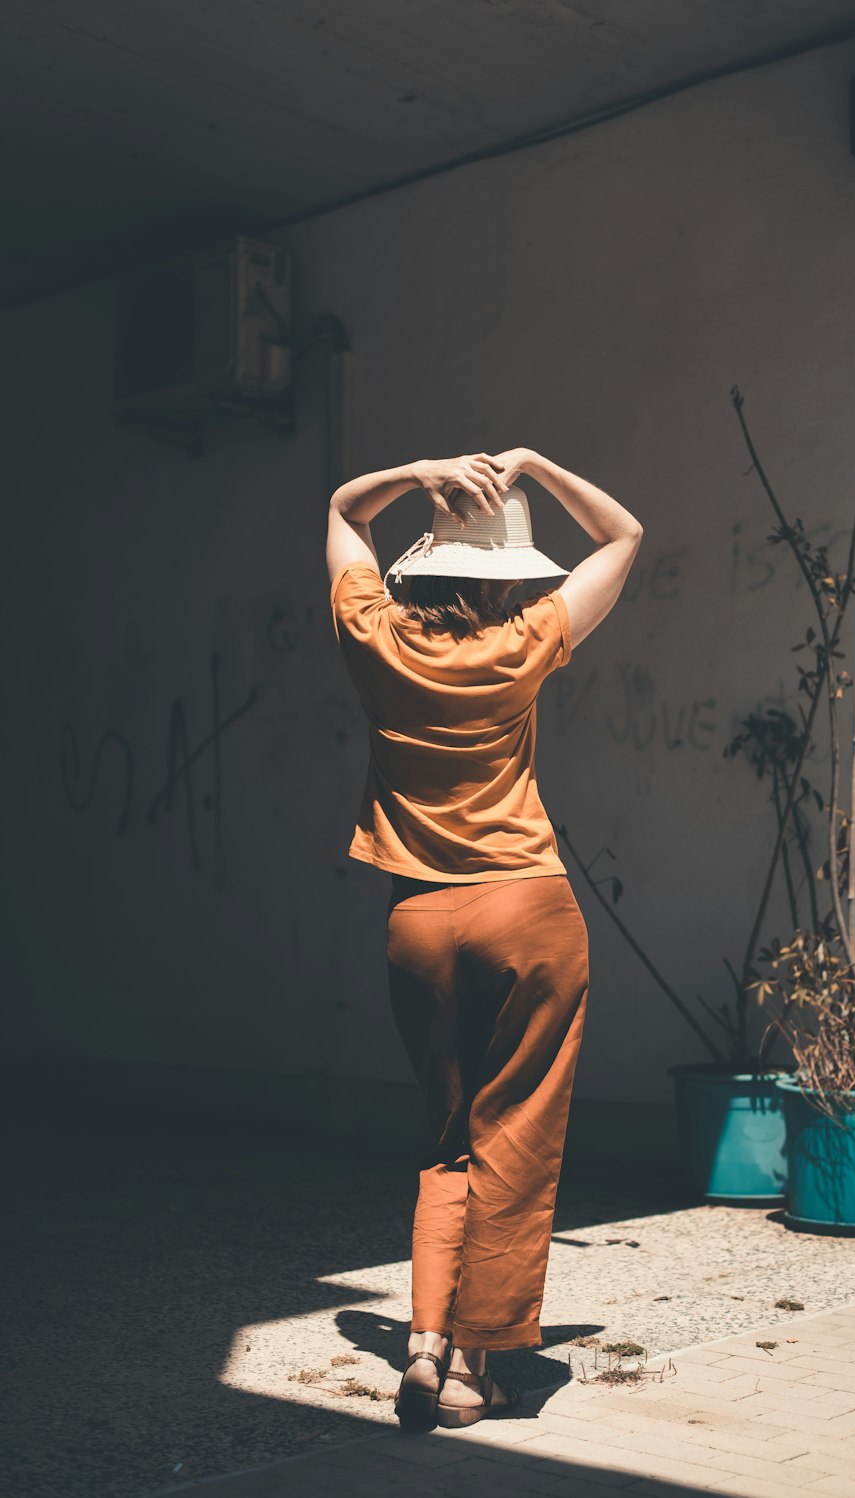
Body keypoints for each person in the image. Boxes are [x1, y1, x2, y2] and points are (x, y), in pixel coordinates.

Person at [326, 447, 643, 1430]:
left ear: (420, 573)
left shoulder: (373, 637)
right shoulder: (526, 641)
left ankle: (422, 1341)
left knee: (448, 1141)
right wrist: (537, 467)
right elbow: (624, 534)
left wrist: (416, 472)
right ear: (507, 581)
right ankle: (476, 1364)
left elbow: (341, 508)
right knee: (516, 1138)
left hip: (418, 918)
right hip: (526, 911)